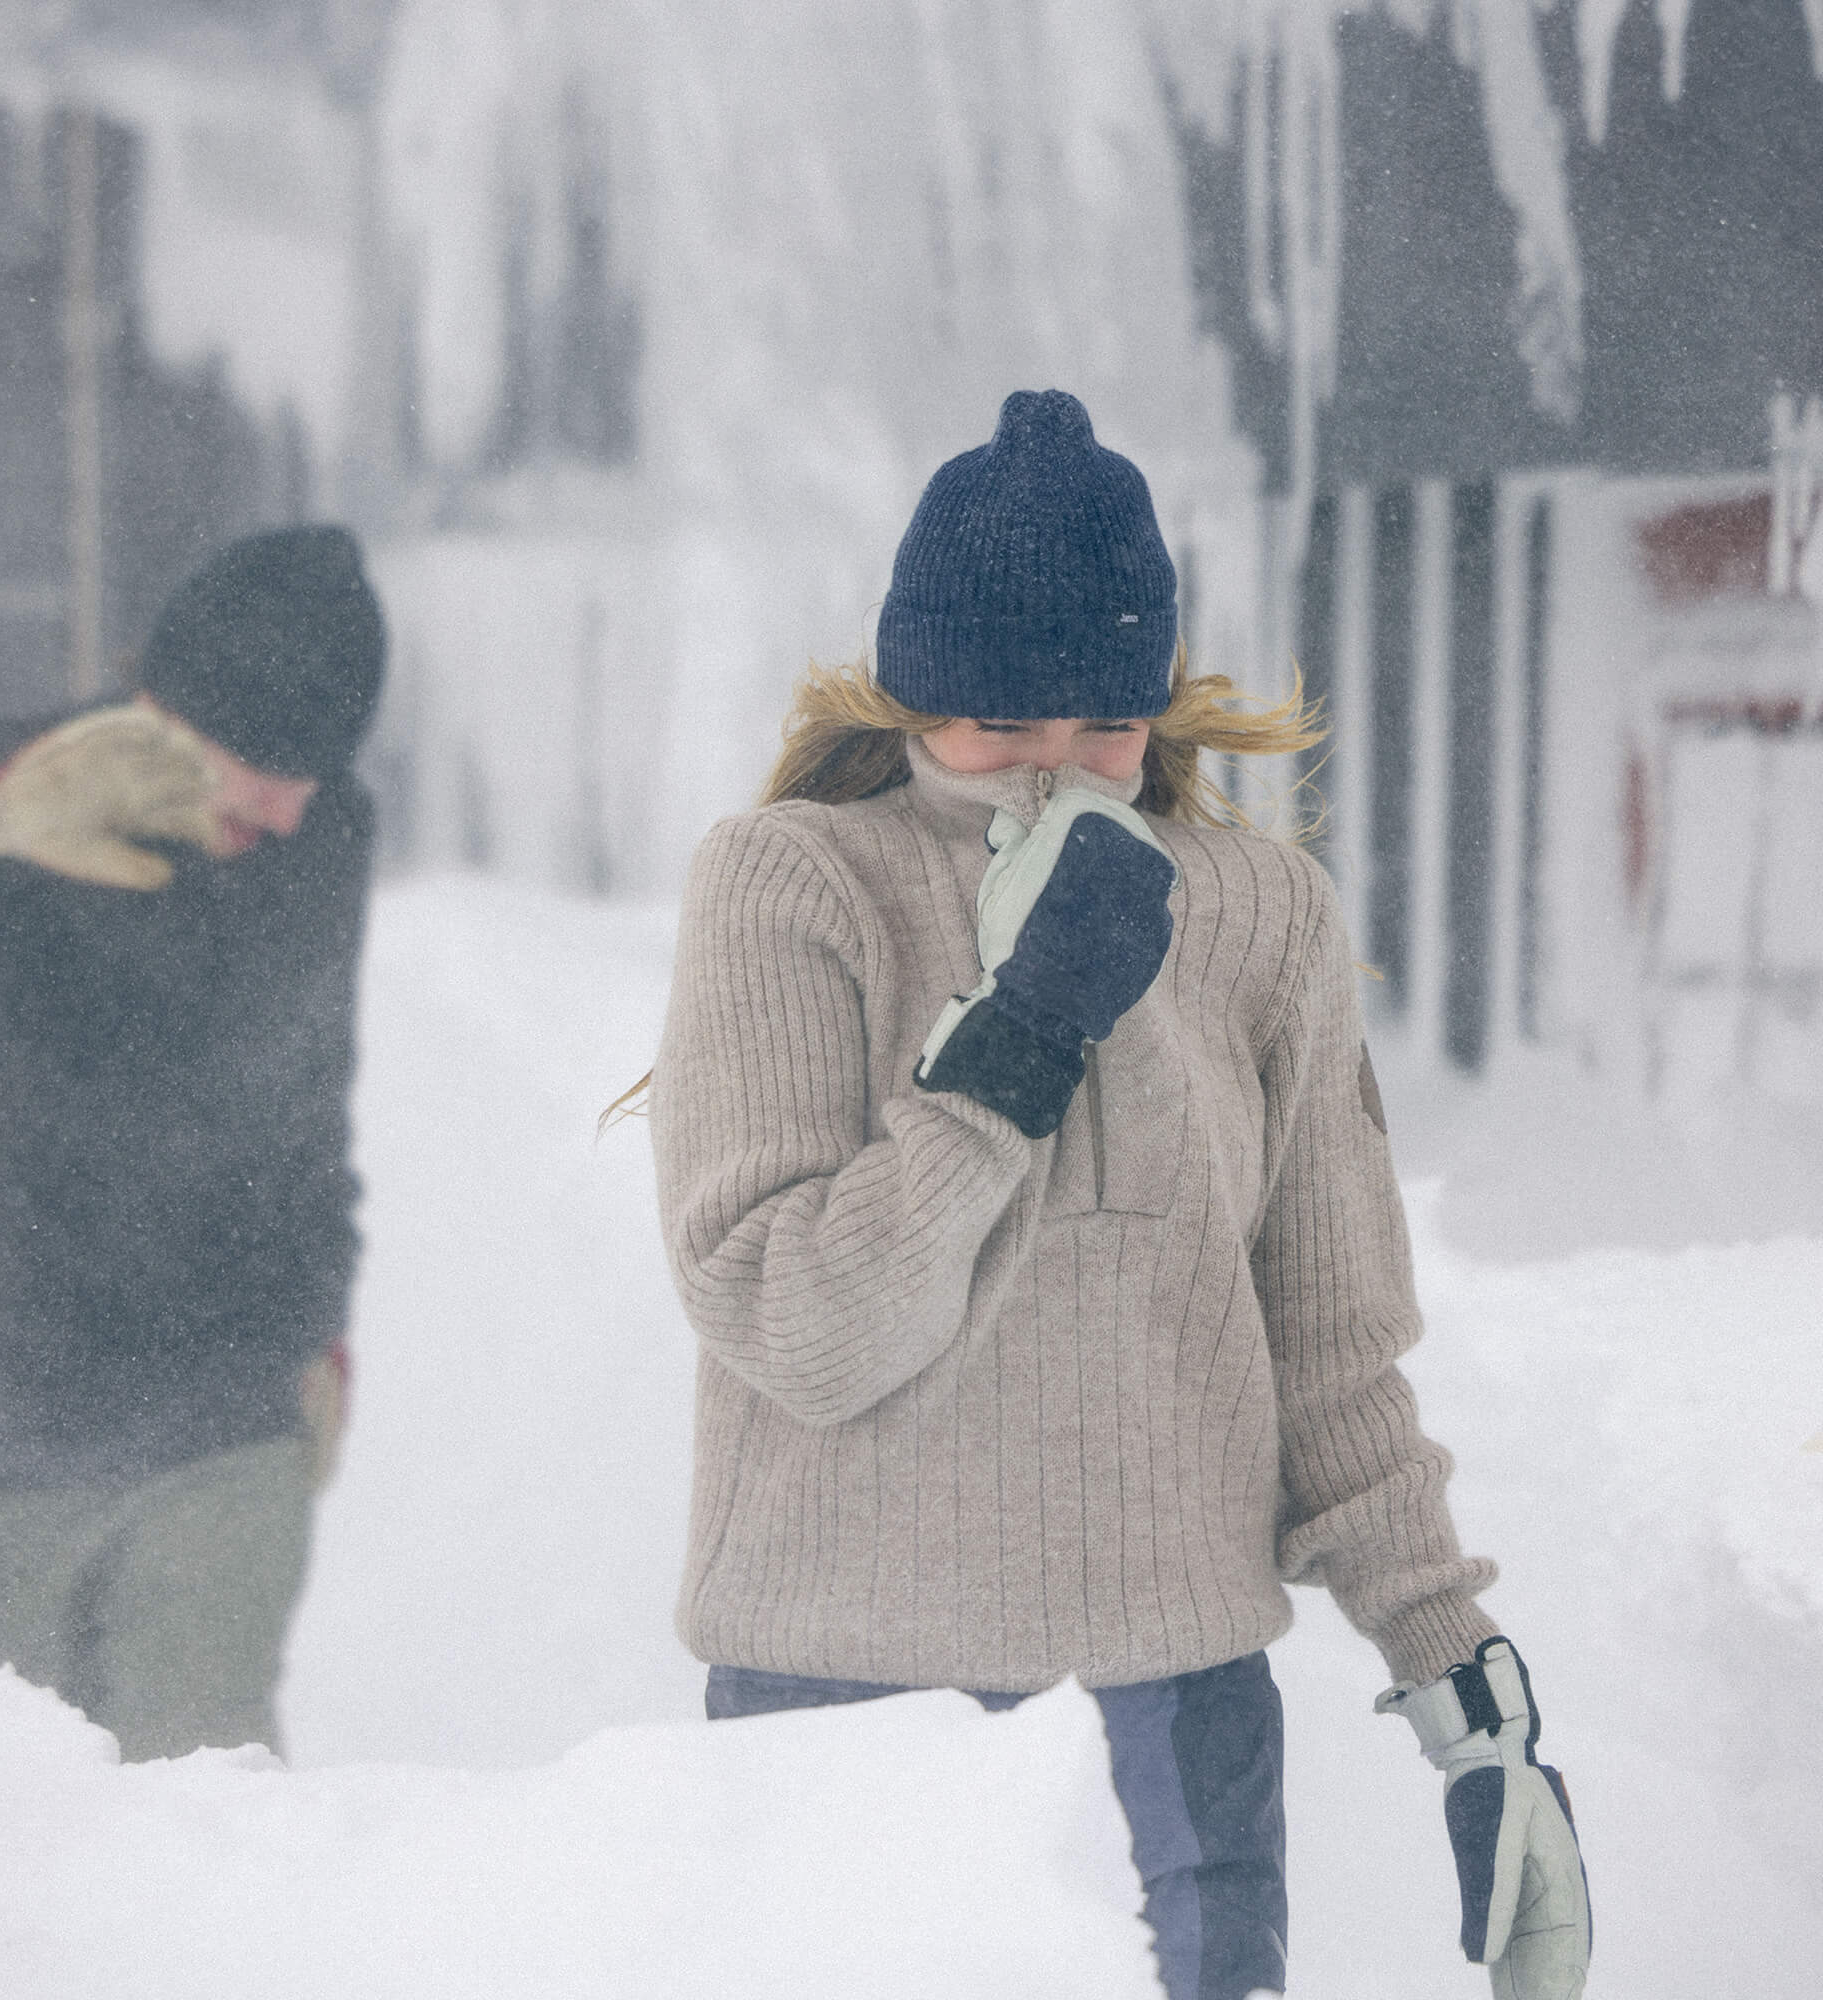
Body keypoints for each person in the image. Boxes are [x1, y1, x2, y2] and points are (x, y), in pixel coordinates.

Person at [646, 392, 1590, 1999]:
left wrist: (1473, 1709)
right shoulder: (795, 880)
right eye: (996, 727)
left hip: (1172, 1713)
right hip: (845, 1710)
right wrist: (1018, 1043)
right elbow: (796, 1323)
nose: (1052, 769)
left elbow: (1330, 1355)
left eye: (1100, 725)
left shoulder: (1259, 914)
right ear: (911, 704)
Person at [0, 524, 385, 1761]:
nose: (290, 807)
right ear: (170, 708)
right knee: (5, 1875)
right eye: (266, 762)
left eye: (318, 770)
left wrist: (317, 1324)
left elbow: (303, 1098)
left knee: (209, 1863)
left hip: (221, 1429)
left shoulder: (320, 836)